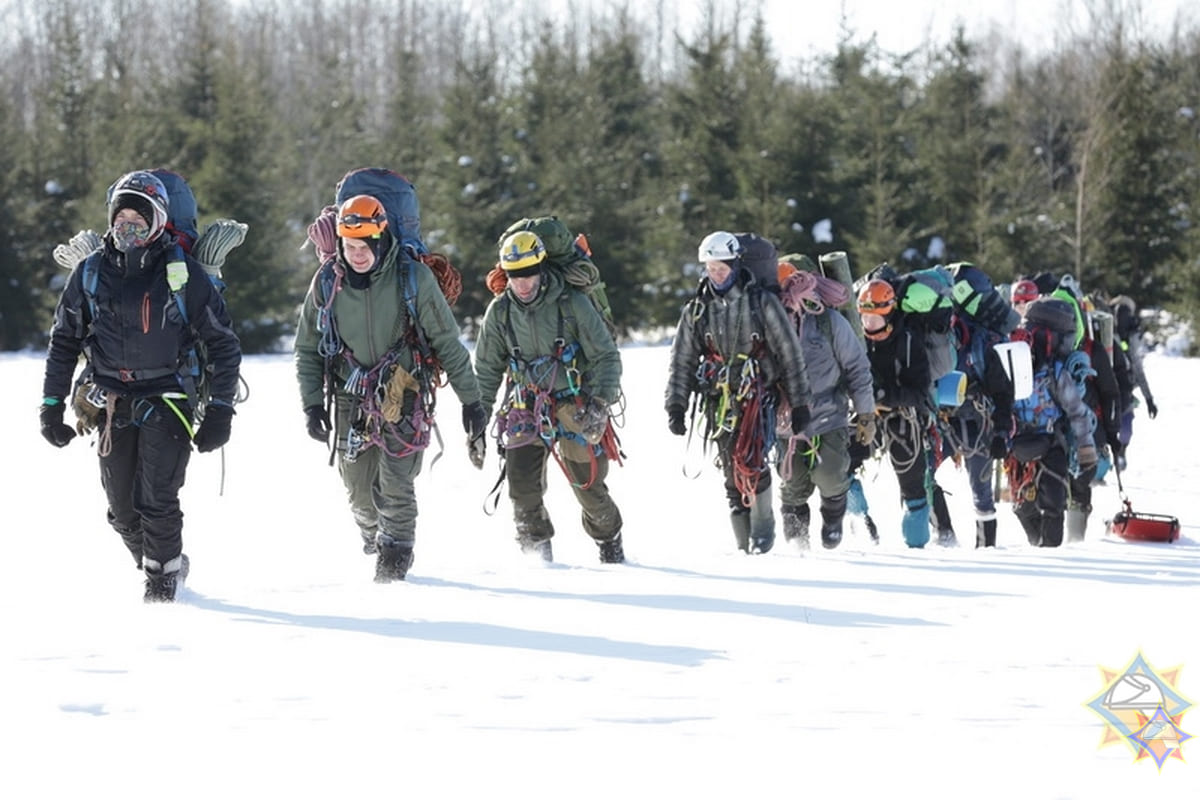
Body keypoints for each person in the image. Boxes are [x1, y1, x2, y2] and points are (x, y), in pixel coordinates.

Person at [40, 170, 243, 602]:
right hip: (111, 401)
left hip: (167, 396)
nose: (127, 225)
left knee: (158, 499)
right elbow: (64, 342)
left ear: (156, 222)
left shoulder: (182, 272)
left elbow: (222, 343)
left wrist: (221, 410)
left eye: (139, 216)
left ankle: (162, 589)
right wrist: (51, 406)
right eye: (121, 216)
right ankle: (157, 563)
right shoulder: (90, 274)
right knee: (121, 509)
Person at [294, 193, 484, 582]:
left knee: (396, 485)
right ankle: (374, 535)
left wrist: (471, 401)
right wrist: (312, 405)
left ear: (380, 241)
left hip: (404, 389)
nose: (357, 255)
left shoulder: (412, 278)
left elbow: (447, 341)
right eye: (349, 246)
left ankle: (394, 565)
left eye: (364, 246)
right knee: (360, 493)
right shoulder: (327, 282)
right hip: (350, 393)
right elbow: (307, 349)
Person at [472, 230, 625, 563]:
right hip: (525, 404)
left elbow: (606, 356)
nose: (523, 283)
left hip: (577, 401)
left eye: (528, 273)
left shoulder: (574, 304)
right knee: (522, 487)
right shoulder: (499, 313)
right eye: (514, 275)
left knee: (589, 486)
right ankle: (537, 559)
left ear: (541, 268)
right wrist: (477, 420)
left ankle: (610, 542)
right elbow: (486, 371)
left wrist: (600, 403)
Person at [664, 231, 811, 554]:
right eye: (710, 268)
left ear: (734, 265)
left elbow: (790, 354)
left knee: (753, 461)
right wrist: (676, 404)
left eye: (721, 268)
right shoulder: (697, 311)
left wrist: (800, 403)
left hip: (759, 397)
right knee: (730, 472)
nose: (716, 274)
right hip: (719, 401)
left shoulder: (763, 303)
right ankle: (744, 544)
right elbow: (682, 359)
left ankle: (763, 533)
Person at [774, 260, 875, 550]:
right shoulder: (768, 325)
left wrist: (866, 414)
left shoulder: (828, 322)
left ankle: (833, 519)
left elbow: (857, 367)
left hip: (830, 415)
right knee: (792, 485)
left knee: (830, 475)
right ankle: (797, 542)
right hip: (786, 422)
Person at [1006, 297, 1098, 547]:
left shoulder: (1054, 370)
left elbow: (1076, 411)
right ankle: (1040, 546)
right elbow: (1077, 411)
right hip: (1022, 445)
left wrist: (1086, 448)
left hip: (1045, 443)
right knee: (1027, 506)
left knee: (1053, 502)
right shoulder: (1028, 366)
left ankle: (1051, 554)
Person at [856, 277, 936, 548]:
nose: (869, 324)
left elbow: (921, 392)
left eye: (874, 318)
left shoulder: (910, 342)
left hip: (904, 416)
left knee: (912, 481)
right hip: (865, 414)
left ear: (889, 313)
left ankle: (917, 544)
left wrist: (884, 396)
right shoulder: (856, 339)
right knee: (841, 463)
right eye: (865, 317)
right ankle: (862, 525)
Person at [1110, 295, 1157, 466]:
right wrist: (1149, 399)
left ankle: (1119, 453)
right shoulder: (1127, 335)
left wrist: (1149, 399)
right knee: (1123, 425)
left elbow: (1136, 367)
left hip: (1120, 388)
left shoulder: (1126, 336)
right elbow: (1137, 368)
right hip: (1118, 387)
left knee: (1124, 425)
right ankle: (1119, 453)